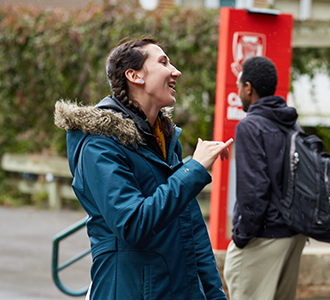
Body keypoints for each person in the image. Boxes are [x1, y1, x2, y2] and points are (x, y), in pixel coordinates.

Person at [54, 38, 229, 300]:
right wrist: (192, 170)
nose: (175, 71)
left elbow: (193, 234)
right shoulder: (98, 145)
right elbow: (132, 224)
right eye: (163, 62)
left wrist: (215, 297)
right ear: (134, 75)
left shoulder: (164, 139)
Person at [223, 56, 307, 300]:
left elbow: (253, 190)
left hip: (264, 235)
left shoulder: (251, 126)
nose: (238, 92)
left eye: (239, 86)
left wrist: (241, 237)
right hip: (294, 233)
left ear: (249, 88)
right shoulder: (291, 124)